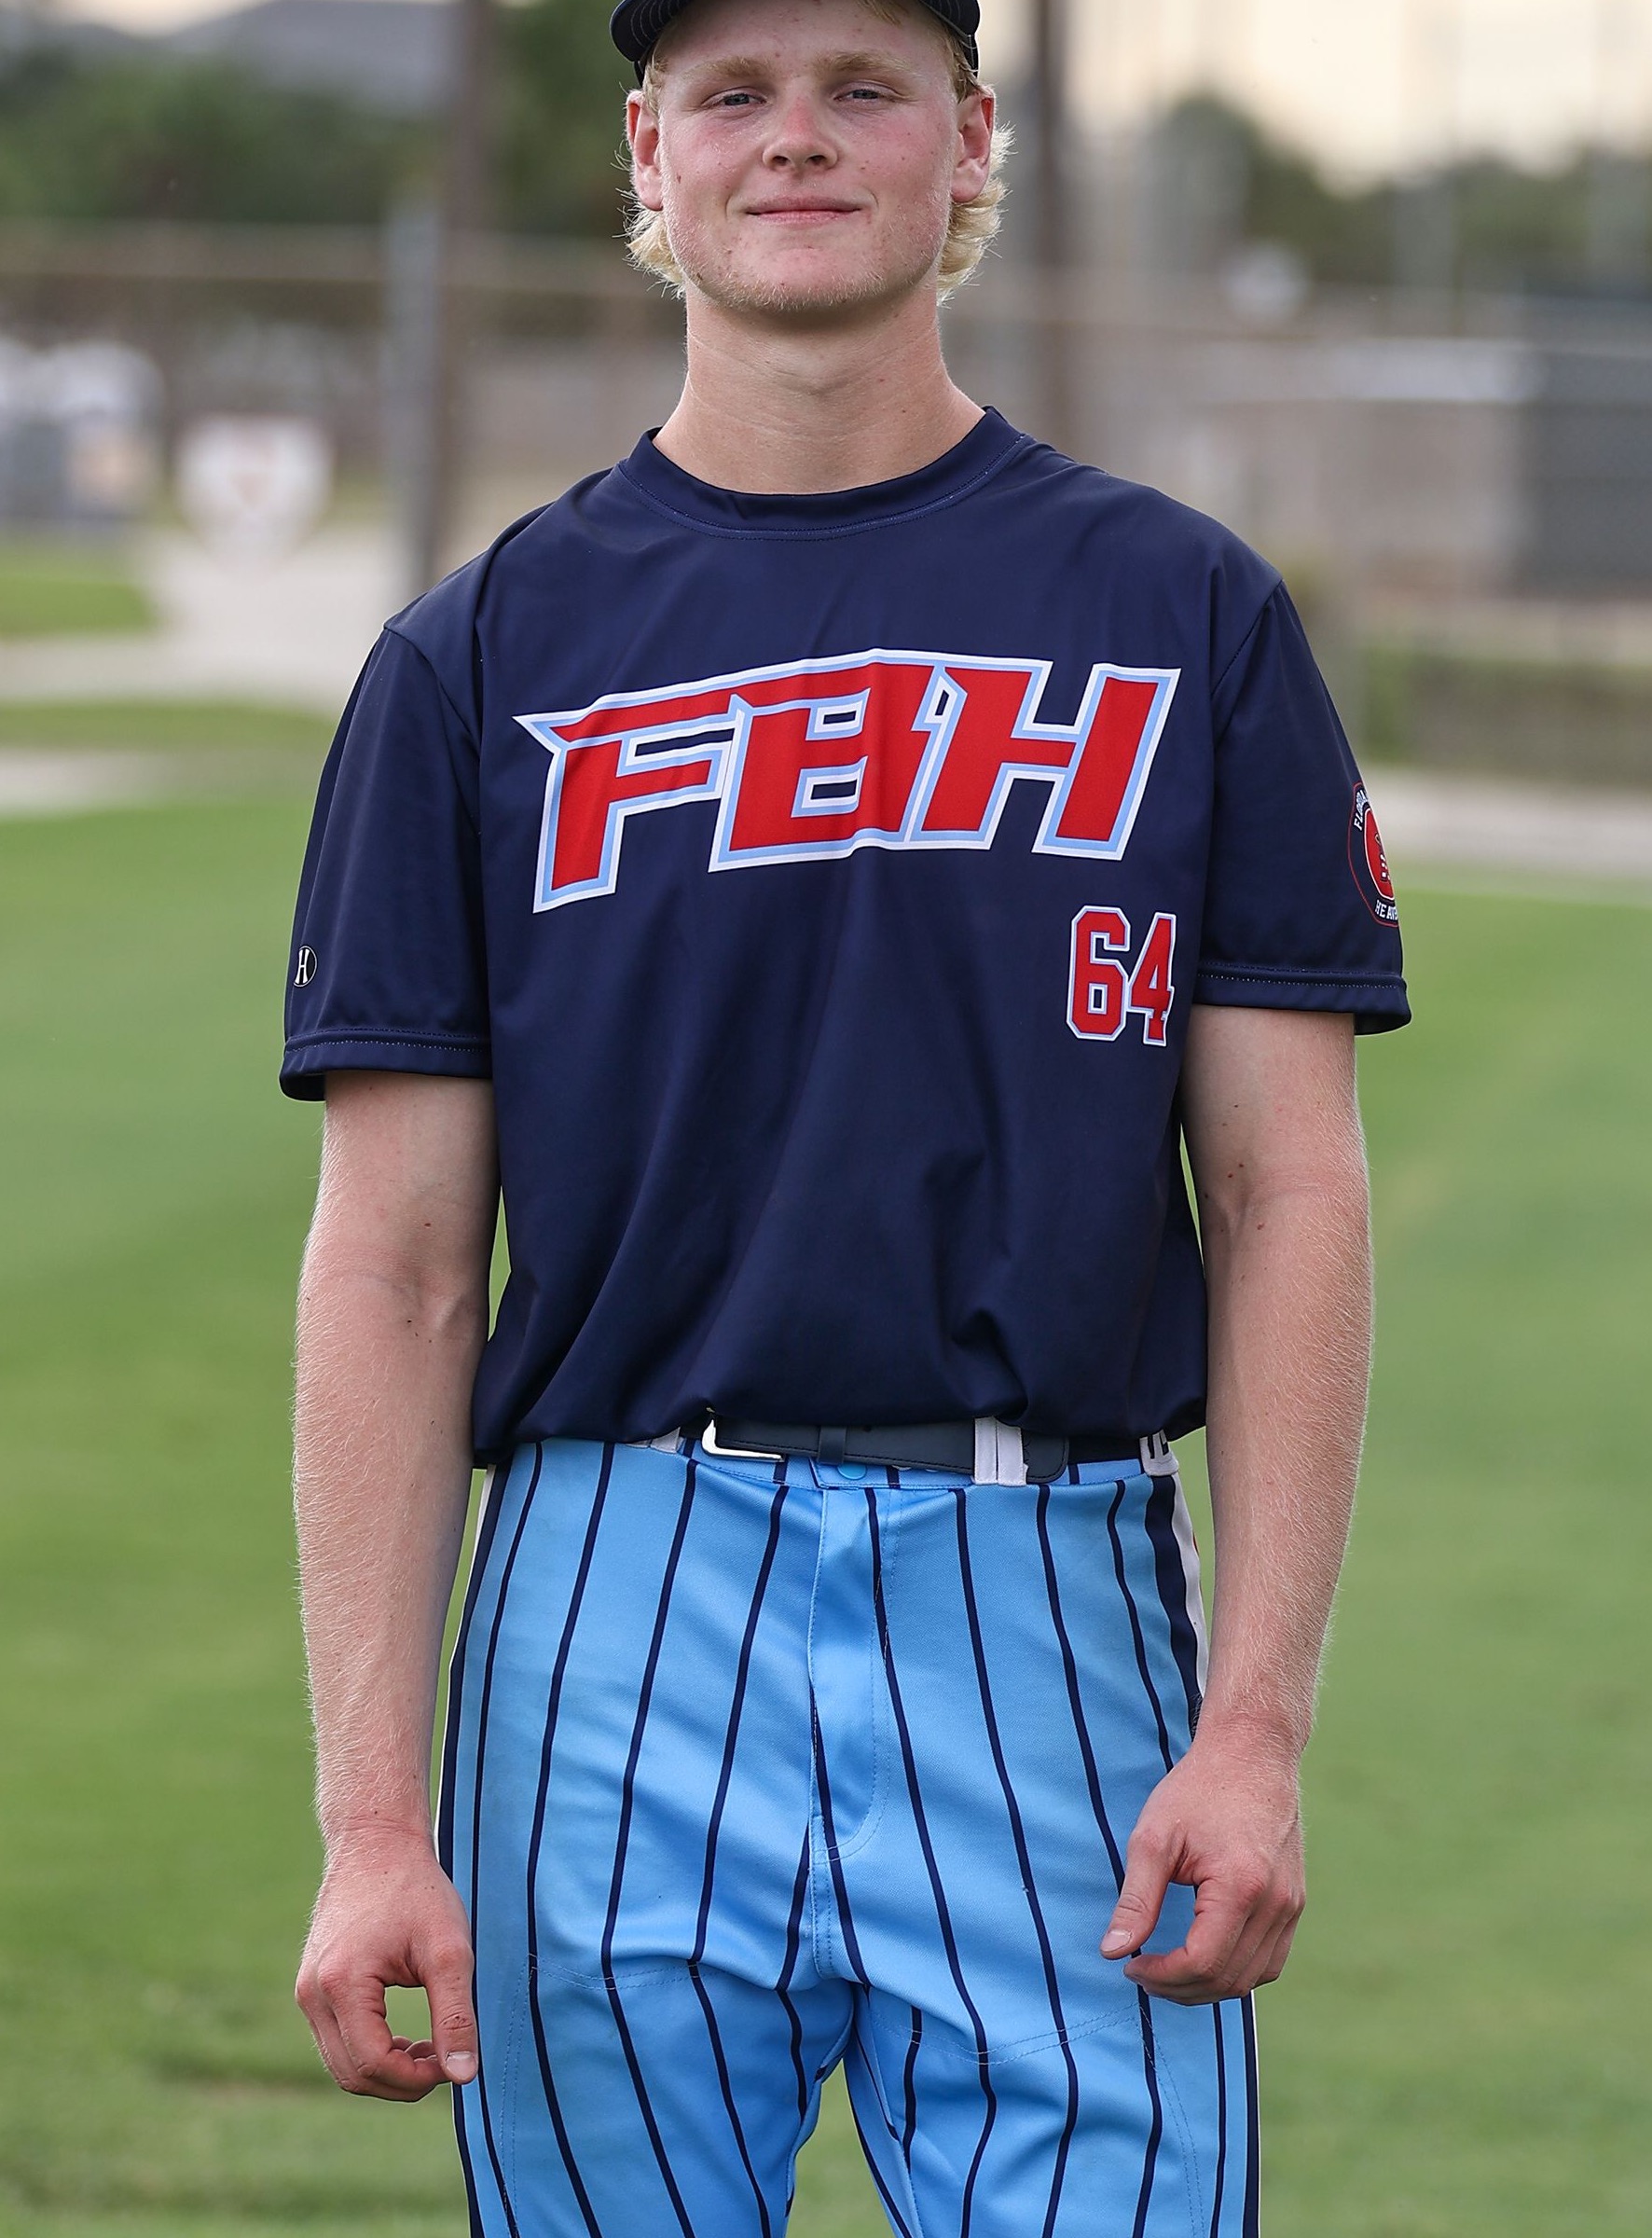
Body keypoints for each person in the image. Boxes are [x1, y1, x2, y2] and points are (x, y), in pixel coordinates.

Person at [283, 0, 1409, 2230]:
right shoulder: (476, 655)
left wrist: (1258, 1723)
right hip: (609, 1598)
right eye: (733, 94)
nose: (793, 139)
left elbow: (1286, 1191)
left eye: (862, 88)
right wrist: (371, 1819)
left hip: (1047, 1586)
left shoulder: (1181, 611)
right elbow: (398, 1272)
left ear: (969, 138)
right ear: (648, 150)